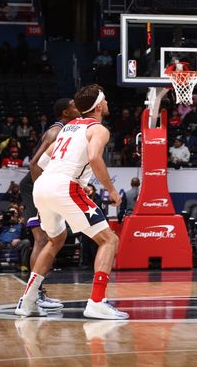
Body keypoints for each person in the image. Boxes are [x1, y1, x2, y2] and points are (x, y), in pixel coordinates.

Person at [15, 84, 127, 320]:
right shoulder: (98, 129)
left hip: (43, 186)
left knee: (55, 240)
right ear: (98, 106)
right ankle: (97, 301)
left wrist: (70, 182)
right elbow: (95, 158)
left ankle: (27, 300)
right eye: (105, 100)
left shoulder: (67, 128)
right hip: (63, 186)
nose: (107, 103)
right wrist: (112, 190)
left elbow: (42, 163)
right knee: (109, 240)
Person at [18, 97, 79, 309]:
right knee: (42, 240)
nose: (77, 107)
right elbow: (34, 164)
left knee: (48, 240)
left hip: (40, 185)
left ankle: (36, 293)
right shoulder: (56, 131)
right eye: (74, 105)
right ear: (65, 112)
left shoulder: (69, 130)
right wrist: (41, 194)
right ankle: (34, 294)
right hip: (34, 186)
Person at [0, 207, 31, 272]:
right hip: (2, 244)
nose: (12, 215)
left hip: (15, 245)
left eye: (14, 213)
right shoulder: (2, 224)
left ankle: (23, 265)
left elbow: (26, 237)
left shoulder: (20, 224)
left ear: (17, 215)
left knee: (26, 242)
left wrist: (19, 239)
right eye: (10, 213)